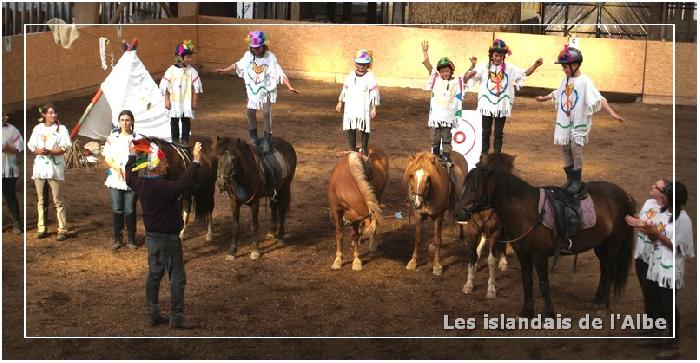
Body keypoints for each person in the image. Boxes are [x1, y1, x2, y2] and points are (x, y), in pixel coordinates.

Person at [125, 139, 203, 329]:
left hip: (152, 239)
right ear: (157, 167)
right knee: (177, 277)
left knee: (154, 275)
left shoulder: (141, 184)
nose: (167, 165)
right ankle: (177, 318)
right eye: (165, 163)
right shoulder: (166, 188)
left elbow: (128, 176)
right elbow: (185, 182)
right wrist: (196, 161)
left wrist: (131, 156)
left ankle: (153, 315)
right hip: (169, 240)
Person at [536, 44, 624, 196]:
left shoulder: (585, 81)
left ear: (575, 65)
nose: (563, 69)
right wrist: (545, 98)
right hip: (565, 120)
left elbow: (599, 98)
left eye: (565, 66)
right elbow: (559, 92)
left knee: (576, 149)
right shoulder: (566, 79)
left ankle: (577, 180)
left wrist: (611, 113)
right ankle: (570, 179)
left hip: (578, 121)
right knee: (565, 147)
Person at [626, 181, 694, 359]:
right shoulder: (663, 213)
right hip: (654, 265)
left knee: (668, 304)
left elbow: (682, 249)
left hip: (670, 270)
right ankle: (655, 333)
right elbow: (653, 234)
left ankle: (673, 342)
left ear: (673, 199)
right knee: (652, 297)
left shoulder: (683, 219)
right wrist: (646, 229)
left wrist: (657, 235)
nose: (660, 199)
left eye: (664, 197)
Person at [215, 31, 299, 153]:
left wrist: (289, 86)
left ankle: (266, 140)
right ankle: (253, 138)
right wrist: (224, 70)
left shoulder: (270, 58)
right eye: (252, 48)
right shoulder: (248, 57)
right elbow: (237, 65)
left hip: (267, 91)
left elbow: (279, 73)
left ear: (263, 46)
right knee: (250, 112)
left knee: (266, 113)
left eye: (257, 48)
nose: (255, 51)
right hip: (253, 90)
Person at [464, 39, 543, 156]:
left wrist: (535, 66)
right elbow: (466, 79)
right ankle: (484, 155)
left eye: (501, 55)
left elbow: (524, 73)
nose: (498, 58)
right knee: (485, 132)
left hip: (502, 105)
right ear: (491, 55)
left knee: (499, 133)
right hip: (487, 105)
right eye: (496, 55)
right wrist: (469, 74)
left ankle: (497, 157)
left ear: (504, 56)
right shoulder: (483, 67)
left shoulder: (509, 69)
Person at [421, 40, 474, 164]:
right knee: (435, 137)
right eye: (442, 71)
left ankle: (445, 156)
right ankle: (435, 155)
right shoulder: (436, 79)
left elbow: (466, 78)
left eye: (447, 71)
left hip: (448, 117)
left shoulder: (457, 82)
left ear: (451, 71)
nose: (445, 73)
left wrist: (471, 66)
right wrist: (425, 51)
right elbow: (428, 66)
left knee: (446, 137)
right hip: (436, 116)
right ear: (440, 72)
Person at [27, 104, 71, 240]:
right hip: (40, 168)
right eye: (50, 113)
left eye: (55, 112)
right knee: (41, 199)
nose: (53, 115)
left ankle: (62, 229)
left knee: (57, 199)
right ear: (44, 115)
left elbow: (65, 147)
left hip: (54, 168)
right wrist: (38, 151)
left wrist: (51, 151)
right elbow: (31, 145)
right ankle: (42, 227)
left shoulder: (61, 129)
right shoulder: (38, 128)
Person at [103, 110, 139, 250]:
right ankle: (117, 238)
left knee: (130, 209)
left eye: (127, 120)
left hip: (132, 179)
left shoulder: (137, 139)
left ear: (132, 122)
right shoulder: (112, 138)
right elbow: (107, 158)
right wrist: (118, 169)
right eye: (122, 120)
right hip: (116, 177)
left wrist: (131, 171)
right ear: (118, 122)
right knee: (117, 208)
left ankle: (131, 238)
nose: (125, 123)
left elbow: (142, 158)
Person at [335, 49, 380, 156]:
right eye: (359, 63)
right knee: (350, 126)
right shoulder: (351, 76)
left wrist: (374, 107)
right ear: (355, 63)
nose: (361, 66)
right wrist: (340, 101)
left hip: (363, 106)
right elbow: (345, 89)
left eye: (364, 64)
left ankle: (364, 149)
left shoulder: (370, 77)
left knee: (364, 127)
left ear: (368, 64)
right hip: (351, 106)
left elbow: (374, 92)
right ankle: (352, 148)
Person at [159, 40, 203, 146]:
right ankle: (174, 141)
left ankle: (185, 141)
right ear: (179, 57)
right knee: (174, 121)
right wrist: (167, 100)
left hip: (186, 101)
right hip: (174, 101)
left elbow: (196, 88)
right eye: (187, 57)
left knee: (185, 120)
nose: (190, 59)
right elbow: (164, 86)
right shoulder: (171, 70)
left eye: (190, 57)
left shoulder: (192, 71)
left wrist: (194, 102)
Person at [2, 115, 24, 234]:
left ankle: (16, 223)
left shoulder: (12, 129)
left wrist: (8, 148)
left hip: (8, 169)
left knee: (10, 196)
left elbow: (19, 148)